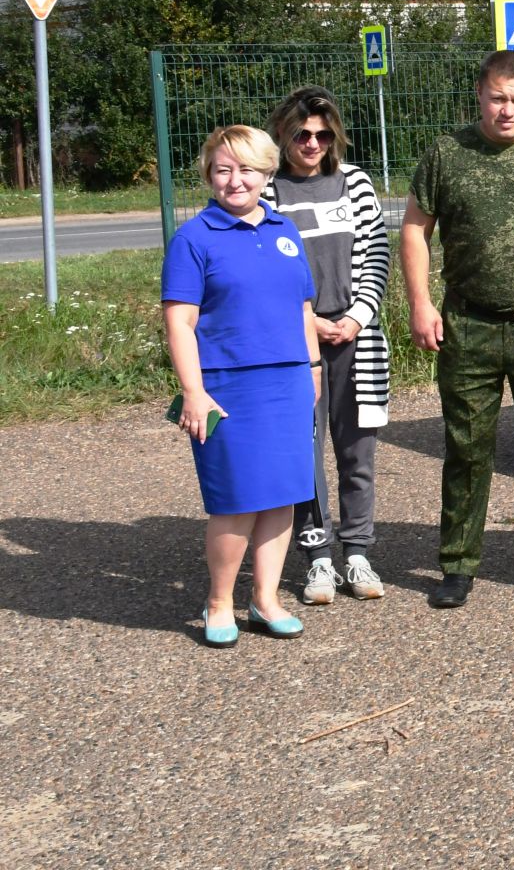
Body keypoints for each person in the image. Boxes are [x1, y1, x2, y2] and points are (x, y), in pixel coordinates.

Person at [401, 50, 514, 609]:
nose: (508, 110)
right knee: (466, 448)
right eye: (498, 98)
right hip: (467, 324)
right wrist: (420, 303)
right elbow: (415, 230)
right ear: (480, 96)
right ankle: (458, 564)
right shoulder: (446, 154)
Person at [162, 125, 321, 647]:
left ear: (267, 174)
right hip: (226, 389)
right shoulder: (193, 238)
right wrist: (193, 391)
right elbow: (180, 323)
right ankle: (219, 602)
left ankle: (266, 599)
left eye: (247, 169)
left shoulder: (284, 230)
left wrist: (314, 371)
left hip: (289, 382)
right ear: (209, 173)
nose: (235, 180)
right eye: (224, 168)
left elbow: (303, 309)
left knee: (283, 497)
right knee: (235, 501)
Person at [264, 86, 393, 607]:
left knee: (356, 454)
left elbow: (376, 254)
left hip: (357, 342)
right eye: (301, 134)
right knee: (305, 456)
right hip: (297, 345)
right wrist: (308, 323)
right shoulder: (268, 192)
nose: (311, 143)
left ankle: (358, 551)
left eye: (321, 134)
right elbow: (270, 274)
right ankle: (318, 559)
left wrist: (357, 317)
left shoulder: (355, 183)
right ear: (283, 135)